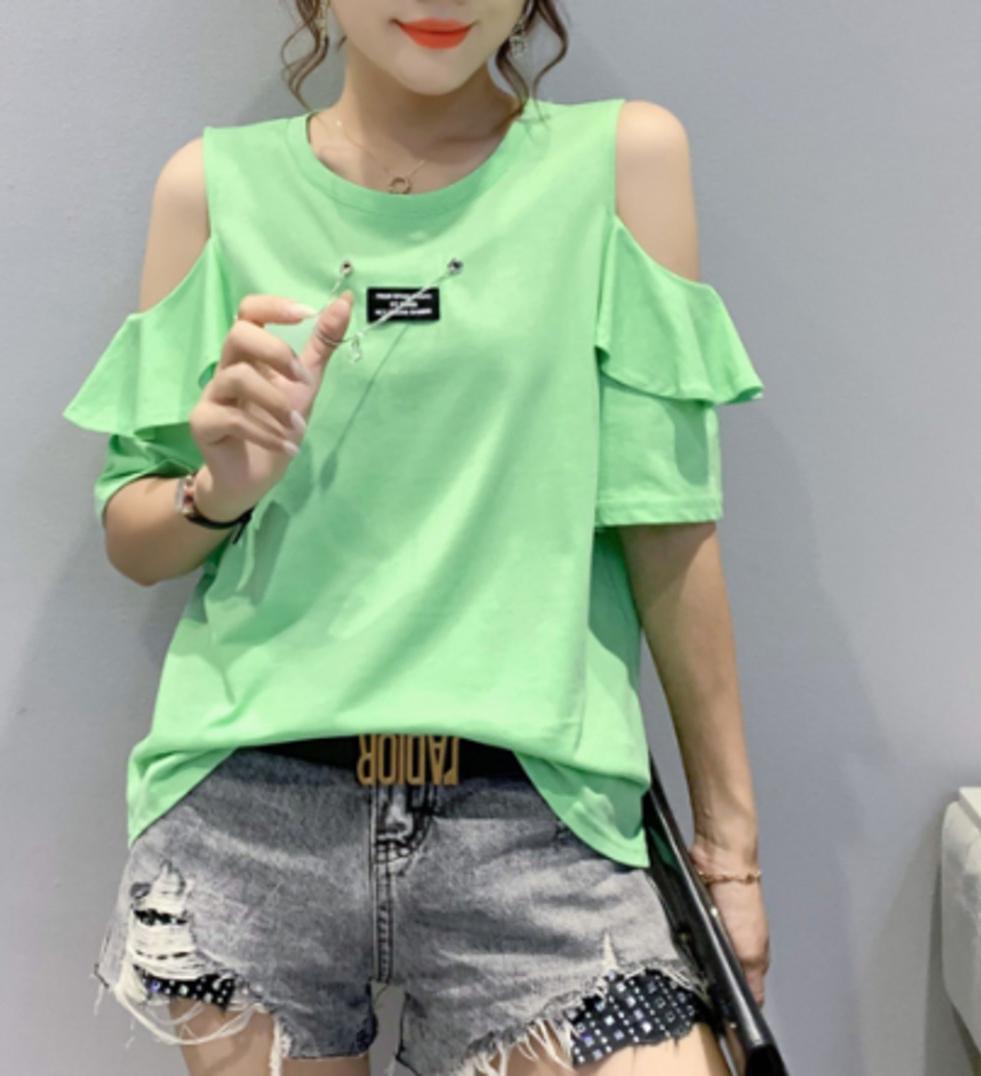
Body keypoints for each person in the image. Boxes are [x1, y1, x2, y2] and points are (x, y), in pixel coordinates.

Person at [63, 2, 772, 1074]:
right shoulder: (209, 188)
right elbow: (134, 536)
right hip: (255, 810)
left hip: (539, 813)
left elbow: (667, 526)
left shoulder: (621, 165)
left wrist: (729, 857)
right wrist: (224, 488)